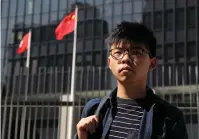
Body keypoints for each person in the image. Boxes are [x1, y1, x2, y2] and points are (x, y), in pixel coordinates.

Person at [74, 21, 188, 139]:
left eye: (136, 52)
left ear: (152, 63)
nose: (126, 58)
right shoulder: (95, 109)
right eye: (118, 52)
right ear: (109, 62)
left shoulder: (169, 117)